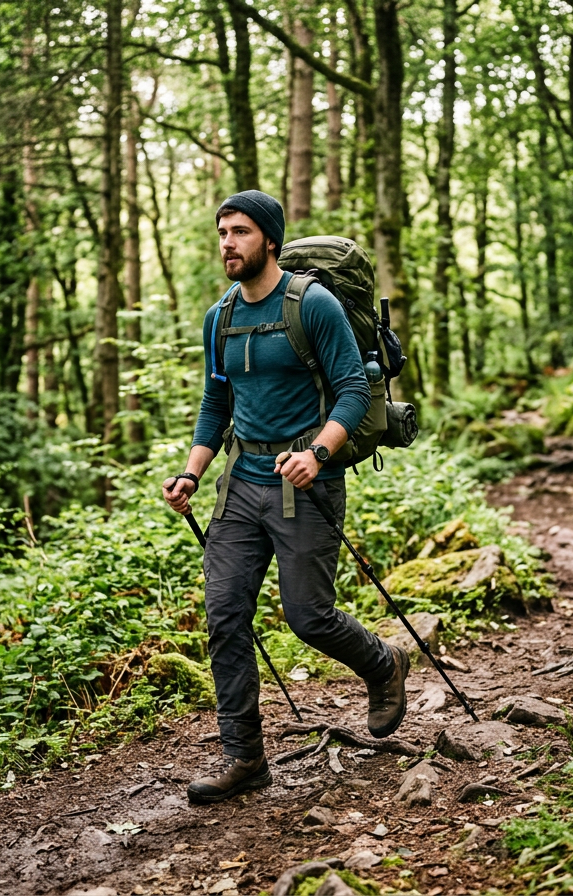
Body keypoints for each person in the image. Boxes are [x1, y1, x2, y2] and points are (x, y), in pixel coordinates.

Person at [162, 190, 410, 805]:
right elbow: (216, 402)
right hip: (241, 485)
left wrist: (317, 453)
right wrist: (191, 473)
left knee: (308, 617)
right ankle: (244, 757)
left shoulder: (313, 304)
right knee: (224, 615)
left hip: (307, 484)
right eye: (223, 232)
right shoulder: (220, 317)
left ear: (269, 240)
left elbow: (353, 390)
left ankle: (384, 664)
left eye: (240, 232)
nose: (228, 243)